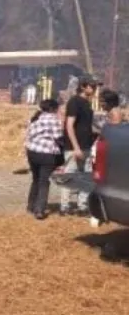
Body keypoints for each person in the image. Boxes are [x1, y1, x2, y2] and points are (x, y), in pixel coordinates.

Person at [60, 75, 99, 216]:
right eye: (92, 86)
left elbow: (86, 126)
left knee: (86, 177)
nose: (94, 89)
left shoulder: (87, 103)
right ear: (83, 86)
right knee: (70, 176)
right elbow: (69, 125)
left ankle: (82, 206)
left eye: (95, 86)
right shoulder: (75, 102)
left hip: (86, 145)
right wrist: (75, 147)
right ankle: (64, 206)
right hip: (74, 147)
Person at [25, 99, 64, 220]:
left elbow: (29, 134)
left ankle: (31, 205)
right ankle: (40, 210)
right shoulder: (53, 120)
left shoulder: (36, 118)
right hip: (46, 153)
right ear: (53, 109)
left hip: (32, 151)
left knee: (36, 179)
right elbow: (58, 138)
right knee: (44, 181)